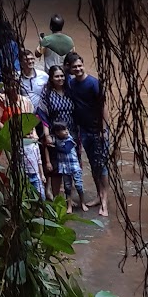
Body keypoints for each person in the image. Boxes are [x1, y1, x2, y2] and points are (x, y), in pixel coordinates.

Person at [65, 54, 110, 217]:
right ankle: (99, 195)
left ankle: (104, 202)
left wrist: (104, 129)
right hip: (83, 130)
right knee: (93, 163)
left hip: (97, 130)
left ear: (83, 65)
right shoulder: (71, 84)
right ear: (70, 68)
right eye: (74, 67)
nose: (77, 69)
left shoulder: (93, 83)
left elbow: (103, 106)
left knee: (102, 165)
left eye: (79, 66)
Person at [36, 64, 76, 197]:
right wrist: (46, 134)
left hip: (70, 132)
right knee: (55, 168)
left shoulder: (70, 91)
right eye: (57, 76)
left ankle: (68, 198)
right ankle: (54, 196)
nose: (60, 78)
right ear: (51, 78)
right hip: (54, 133)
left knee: (70, 164)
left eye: (62, 76)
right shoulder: (47, 93)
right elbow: (43, 114)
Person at [51, 122, 85, 211]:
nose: (66, 131)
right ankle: (69, 205)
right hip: (65, 168)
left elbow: (66, 150)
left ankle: (82, 203)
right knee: (67, 187)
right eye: (63, 130)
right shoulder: (56, 139)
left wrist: (54, 146)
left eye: (66, 129)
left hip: (74, 166)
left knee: (79, 185)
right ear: (57, 133)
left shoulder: (70, 139)